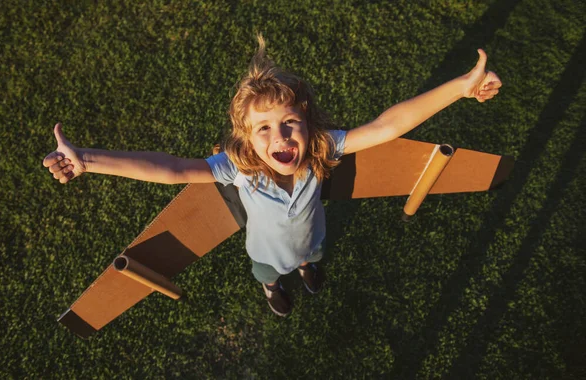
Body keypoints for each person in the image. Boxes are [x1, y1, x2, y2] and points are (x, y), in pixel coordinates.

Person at [43, 35, 501, 317]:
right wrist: (89, 159)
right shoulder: (239, 168)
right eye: (263, 128)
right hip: (263, 252)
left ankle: (306, 271)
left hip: (312, 238)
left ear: (307, 123)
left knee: (310, 257)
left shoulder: (322, 147)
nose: (279, 136)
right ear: (245, 138)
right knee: (268, 272)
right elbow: (172, 170)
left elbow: (386, 127)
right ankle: (272, 289)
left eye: (288, 122)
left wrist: (461, 89)